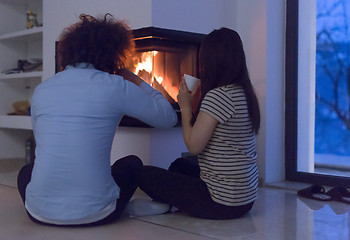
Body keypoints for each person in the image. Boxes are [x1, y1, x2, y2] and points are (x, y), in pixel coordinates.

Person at [16, 14, 177, 226]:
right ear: (113, 53)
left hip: (38, 214)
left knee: (26, 172)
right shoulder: (116, 86)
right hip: (98, 215)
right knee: (131, 164)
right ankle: (122, 208)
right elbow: (168, 118)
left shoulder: (41, 90)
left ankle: (60, 203)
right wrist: (135, 79)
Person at [136, 27, 261, 220]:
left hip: (220, 202)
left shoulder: (219, 96)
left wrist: (185, 106)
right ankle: (170, 202)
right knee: (179, 165)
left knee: (142, 173)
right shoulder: (245, 92)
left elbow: (193, 146)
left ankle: (163, 204)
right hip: (245, 199)